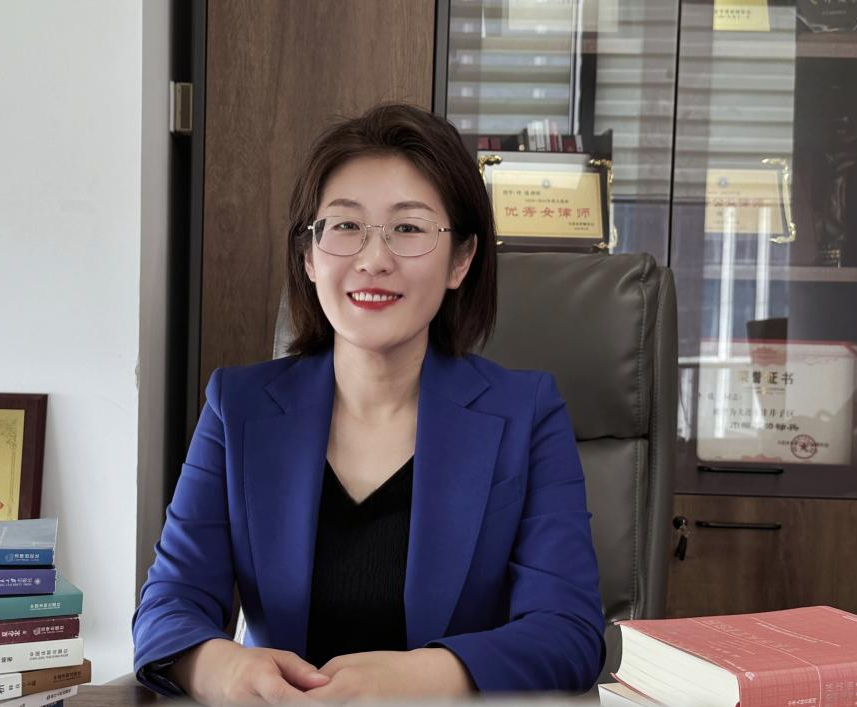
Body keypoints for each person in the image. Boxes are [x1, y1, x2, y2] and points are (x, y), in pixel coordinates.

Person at [132, 102, 604, 705]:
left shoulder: (525, 414)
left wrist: (421, 679)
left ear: (461, 259)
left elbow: (568, 632)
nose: (373, 258)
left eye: (408, 228)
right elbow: (167, 606)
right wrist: (219, 668)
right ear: (310, 256)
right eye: (345, 225)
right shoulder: (238, 407)